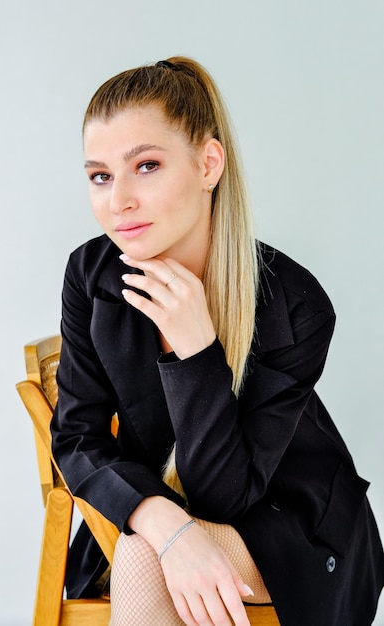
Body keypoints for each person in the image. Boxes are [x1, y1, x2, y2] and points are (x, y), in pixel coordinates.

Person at [50, 57, 384, 626]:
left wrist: (197, 353)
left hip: (288, 521)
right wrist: (166, 524)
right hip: (162, 507)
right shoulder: (92, 276)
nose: (119, 200)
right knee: (145, 548)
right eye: (100, 176)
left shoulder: (296, 305)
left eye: (147, 166)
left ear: (209, 164)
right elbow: (77, 440)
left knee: (140, 557)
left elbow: (226, 497)